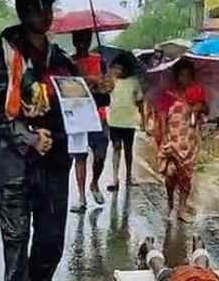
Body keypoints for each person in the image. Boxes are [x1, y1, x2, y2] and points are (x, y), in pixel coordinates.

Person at [0, 0, 80, 281]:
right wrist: (28, 136)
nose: (45, 13)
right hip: (14, 164)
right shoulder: (4, 54)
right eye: (38, 7)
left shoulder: (61, 57)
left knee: (52, 236)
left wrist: (98, 91)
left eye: (48, 6)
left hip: (54, 161)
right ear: (22, 11)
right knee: (16, 239)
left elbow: (76, 101)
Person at [154, 58, 205, 222]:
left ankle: (182, 208)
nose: (185, 79)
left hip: (189, 142)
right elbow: (162, 119)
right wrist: (161, 139)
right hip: (171, 141)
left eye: (188, 75)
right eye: (182, 75)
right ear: (177, 77)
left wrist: (199, 107)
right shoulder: (167, 95)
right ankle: (170, 201)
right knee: (170, 174)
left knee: (186, 175)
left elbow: (205, 110)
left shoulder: (196, 94)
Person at [69, 30, 111, 212]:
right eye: (78, 38)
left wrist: (98, 82)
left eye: (85, 39)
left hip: (98, 116)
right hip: (78, 116)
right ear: (73, 40)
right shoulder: (69, 62)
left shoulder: (99, 60)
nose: (82, 42)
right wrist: (84, 80)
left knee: (100, 155)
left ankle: (94, 183)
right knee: (80, 156)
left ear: (90, 40)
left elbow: (107, 85)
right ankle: (81, 197)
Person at [105, 57, 145, 191]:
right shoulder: (110, 81)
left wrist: (142, 117)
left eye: (119, 68)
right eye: (115, 68)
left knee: (128, 149)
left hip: (128, 121)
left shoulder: (134, 82)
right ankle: (115, 178)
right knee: (116, 147)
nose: (117, 70)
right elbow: (104, 94)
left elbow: (140, 99)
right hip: (114, 120)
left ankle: (128, 176)